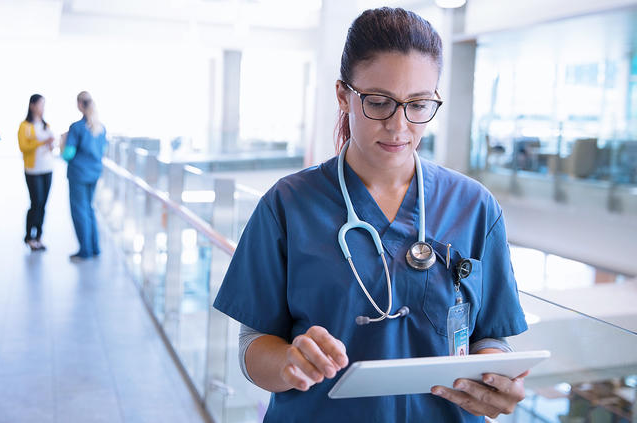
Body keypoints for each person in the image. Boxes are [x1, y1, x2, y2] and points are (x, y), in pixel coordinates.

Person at [212, 8, 530, 422]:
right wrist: (290, 360)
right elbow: (253, 345)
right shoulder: (288, 205)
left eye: (418, 104)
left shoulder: (474, 206)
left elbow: (492, 337)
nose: (400, 126)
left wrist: (495, 381)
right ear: (344, 95)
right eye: (379, 102)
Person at [61, 91, 106, 262]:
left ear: (79, 104)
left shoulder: (76, 128)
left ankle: (85, 250)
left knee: (80, 211)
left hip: (79, 174)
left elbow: (68, 155)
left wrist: (63, 142)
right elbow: (102, 151)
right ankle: (95, 248)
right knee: (89, 209)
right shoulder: (100, 128)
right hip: (94, 173)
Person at [18, 94, 55, 251]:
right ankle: (29, 236)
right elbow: (23, 147)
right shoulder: (24, 126)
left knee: (43, 204)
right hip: (33, 170)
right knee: (36, 203)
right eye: (40, 104)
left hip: (47, 168)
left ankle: (39, 236)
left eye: (44, 105)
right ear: (32, 106)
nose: (42, 108)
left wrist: (51, 145)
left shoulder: (46, 125)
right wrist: (41, 142)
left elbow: (51, 145)